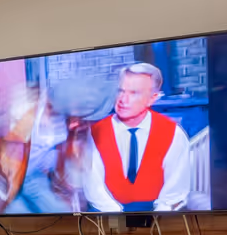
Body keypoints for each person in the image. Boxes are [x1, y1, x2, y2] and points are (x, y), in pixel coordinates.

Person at [72, 62, 193, 212]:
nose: (123, 100)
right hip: (107, 212)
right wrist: (117, 218)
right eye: (120, 91)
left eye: (133, 93)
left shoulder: (173, 133)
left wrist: (157, 221)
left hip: (158, 213)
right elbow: (93, 187)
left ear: (152, 98)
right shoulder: (96, 131)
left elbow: (175, 190)